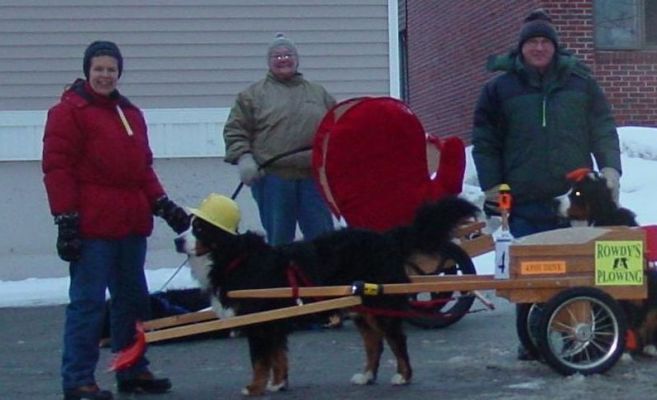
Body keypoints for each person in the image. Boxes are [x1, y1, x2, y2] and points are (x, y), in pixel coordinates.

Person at [42, 40, 190, 400]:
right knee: (89, 303)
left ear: (119, 73)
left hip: (130, 222)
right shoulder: (69, 112)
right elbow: (57, 168)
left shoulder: (130, 113)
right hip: (92, 225)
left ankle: (132, 368)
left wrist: (163, 204)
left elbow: (142, 168)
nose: (105, 75)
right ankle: (78, 378)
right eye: (99, 69)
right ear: (87, 71)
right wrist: (66, 219)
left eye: (111, 69)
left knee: (132, 301)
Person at [471, 10, 621, 359]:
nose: (539, 48)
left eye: (544, 42)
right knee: (530, 277)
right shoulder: (498, 89)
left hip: (574, 202)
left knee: (574, 273)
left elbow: (603, 127)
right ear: (521, 47)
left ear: (554, 47)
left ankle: (575, 339)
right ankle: (531, 340)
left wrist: (611, 168)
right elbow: (485, 140)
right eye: (532, 42)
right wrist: (493, 185)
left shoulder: (580, 83)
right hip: (523, 200)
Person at [223, 33, 336, 246]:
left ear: (296, 59)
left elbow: (338, 128)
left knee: (324, 241)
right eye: (277, 55)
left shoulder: (318, 93)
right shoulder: (252, 95)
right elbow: (235, 130)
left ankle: (322, 279)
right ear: (269, 61)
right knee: (279, 241)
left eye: (288, 54)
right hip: (273, 180)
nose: (283, 59)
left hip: (312, 179)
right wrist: (244, 158)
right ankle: (283, 280)